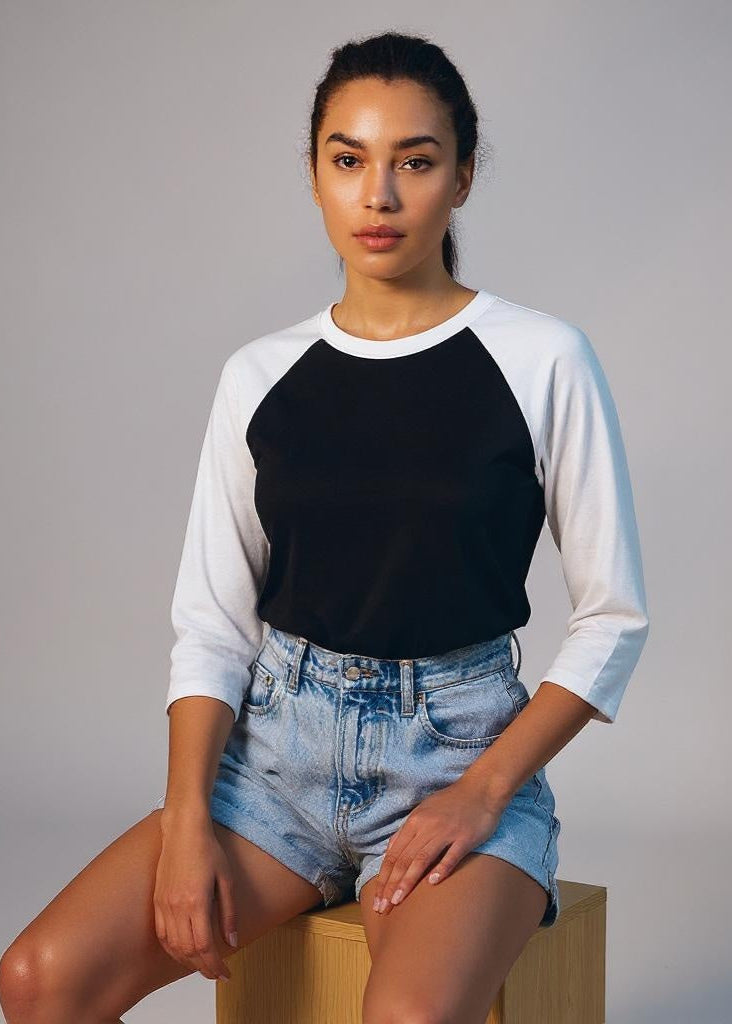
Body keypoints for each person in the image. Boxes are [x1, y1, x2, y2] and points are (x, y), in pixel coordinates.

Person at [0, 29, 649, 1024]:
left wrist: (482, 793)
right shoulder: (259, 376)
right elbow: (213, 623)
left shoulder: (541, 358)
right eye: (348, 160)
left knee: (407, 1017)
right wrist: (186, 824)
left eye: (415, 162)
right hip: (273, 766)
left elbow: (612, 617)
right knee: (38, 980)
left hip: (458, 752)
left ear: (464, 176)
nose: (378, 197)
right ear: (314, 174)